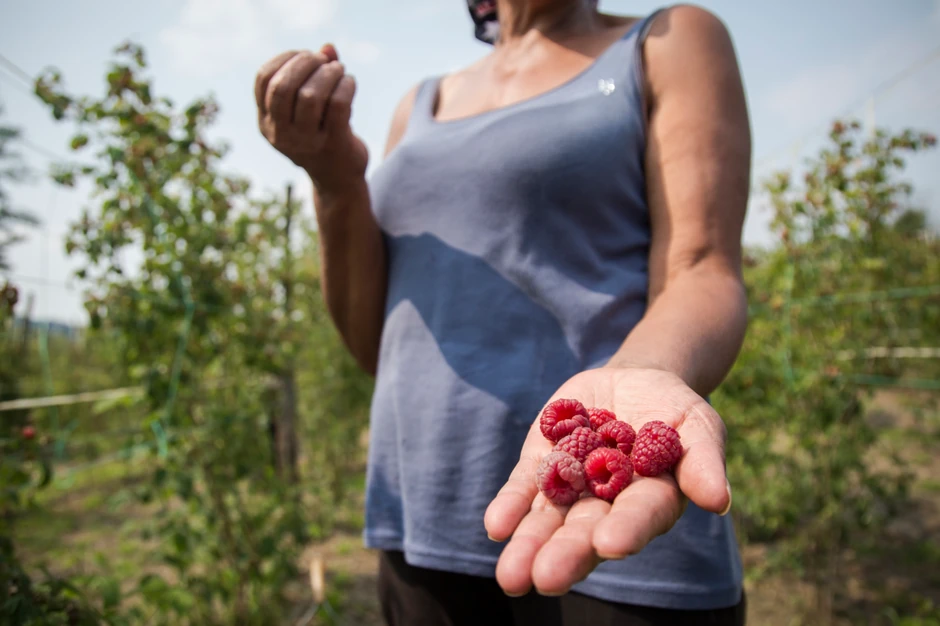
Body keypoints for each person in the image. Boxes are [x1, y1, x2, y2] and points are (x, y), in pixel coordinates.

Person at [255, 1, 751, 624]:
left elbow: (702, 269)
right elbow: (374, 343)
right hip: (426, 514)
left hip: (612, 529)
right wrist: (334, 180)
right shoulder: (419, 104)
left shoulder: (666, 41)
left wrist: (646, 371)